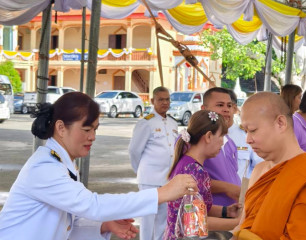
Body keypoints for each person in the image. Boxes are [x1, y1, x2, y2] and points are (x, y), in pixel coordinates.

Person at [0, 92, 198, 240]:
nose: (92, 137)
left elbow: (70, 223)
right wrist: (161, 193)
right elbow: (92, 205)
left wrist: (104, 225)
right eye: (86, 129)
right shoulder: (45, 167)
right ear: (61, 128)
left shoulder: (61, 163)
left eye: (95, 129)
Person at [232, 92, 306, 239]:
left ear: (281, 123)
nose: (247, 139)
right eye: (245, 131)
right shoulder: (259, 170)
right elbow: (242, 226)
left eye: (252, 130)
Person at [164, 110, 241, 239]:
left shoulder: (187, 163)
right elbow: (195, 221)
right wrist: (238, 223)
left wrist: (226, 211)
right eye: (221, 136)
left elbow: (196, 207)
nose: (222, 142)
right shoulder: (194, 171)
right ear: (209, 136)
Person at [128, 86, 178, 240]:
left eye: (167, 99)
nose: (165, 103)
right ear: (152, 101)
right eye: (161, 99)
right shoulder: (146, 123)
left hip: (167, 179)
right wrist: (141, 171)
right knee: (148, 218)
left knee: (164, 218)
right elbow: (134, 151)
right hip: (149, 179)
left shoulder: (172, 123)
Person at [201, 87, 241, 206]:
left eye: (229, 106)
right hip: (208, 216)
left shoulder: (230, 142)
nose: (226, 110)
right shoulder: (193, 139)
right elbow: (190, 180)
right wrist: (227, 188)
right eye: (220, 105)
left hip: (232, 213)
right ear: (204, 109)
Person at [227, 89, 261, 180]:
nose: (224, 110)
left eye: (228, 105)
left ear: (234, 108)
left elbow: (259, 165)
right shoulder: (202, 137)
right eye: (219, 105)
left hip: (242, 191)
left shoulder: (246, 135)